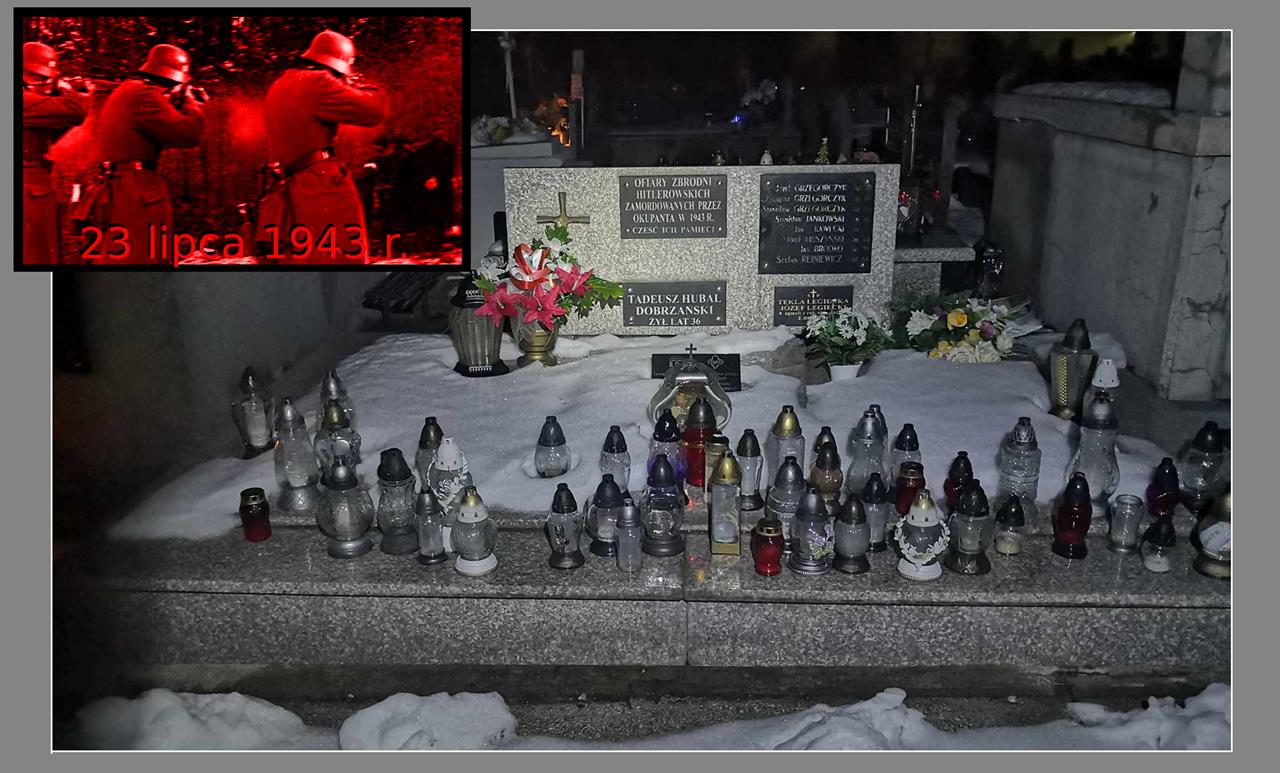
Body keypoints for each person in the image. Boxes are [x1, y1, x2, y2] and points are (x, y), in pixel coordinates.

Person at [256, 30, 389, 263]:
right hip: (322, 185)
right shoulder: (318, 83)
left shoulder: (280, 84)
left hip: (289, 187)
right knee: (344, 257)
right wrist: (359, 84)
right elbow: (376, 110)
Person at [72, 44, 205, 264]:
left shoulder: (130, 91)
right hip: (137, 194)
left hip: (121, 189)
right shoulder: (145, 95)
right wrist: (190, 103)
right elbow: (190, 134)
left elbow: (153, 138)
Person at [21, 41, 91, 266]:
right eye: (39, 78)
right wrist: (67, 90)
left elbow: (54, 131)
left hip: (36, 186)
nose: (44, 83)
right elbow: (76, 110)